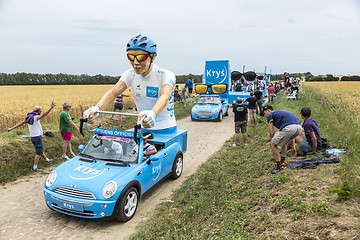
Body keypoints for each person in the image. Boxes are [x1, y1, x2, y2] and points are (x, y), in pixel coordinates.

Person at [83, 34, 177, 133]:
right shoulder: (130, 74)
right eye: (131, 57)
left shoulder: (166, 74)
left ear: (152, 57)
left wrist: (153, 113)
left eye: (141, 57)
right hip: (142, 128)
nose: (135, 62)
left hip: (166, 128)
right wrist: (97, 107)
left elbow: (165, 95)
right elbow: (113, 93)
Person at [5, 101, 56, 171]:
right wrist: (51, 108)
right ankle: (35, 167)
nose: (41, 112)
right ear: (38, 111)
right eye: (40, 110)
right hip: (37, 137)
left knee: (40, 149)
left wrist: (11, 128)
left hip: (33, 137)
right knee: (38, 152)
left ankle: (47, 159)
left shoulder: (29, 117)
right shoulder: (35, 117)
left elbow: (20, 123)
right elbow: (44, 115)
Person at [260, 106, 302, 174]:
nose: (265, 116)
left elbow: (271, 131)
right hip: (299, 128)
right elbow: (292, 130)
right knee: (284, 143)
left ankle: (278, 166)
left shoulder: (270, 115)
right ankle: (282, 164)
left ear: (268, 110)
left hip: (289, 127)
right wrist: (293, 147)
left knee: (272, 144)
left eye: (264, 113)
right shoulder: (281, 113)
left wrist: (272, 139)